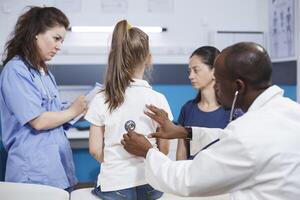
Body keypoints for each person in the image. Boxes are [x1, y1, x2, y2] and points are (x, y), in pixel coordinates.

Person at [121, 42, 300, 199]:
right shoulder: (291, 111)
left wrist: (148, 152)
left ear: (238, 86)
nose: (217, 89)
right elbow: (226, 137)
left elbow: (187, 179)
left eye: (219, 83)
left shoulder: (247, 134)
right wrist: (185, 132)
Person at [0, 6, 87, 190]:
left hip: (57, 169)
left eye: (62, 41)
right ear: (36, 33)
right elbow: (38, 120)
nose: (59, 47)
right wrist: (73, 110)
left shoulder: (44, 73)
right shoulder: (16, 71)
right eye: (56, 38)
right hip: (33, 173)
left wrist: (85, 108)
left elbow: (55, 114)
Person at [84, 20, 173, 200]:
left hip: (114, 185)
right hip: (151, 185)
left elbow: (94, 150)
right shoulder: (159, 99)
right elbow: (164, 150)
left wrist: (115, 164)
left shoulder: (101, 99)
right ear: (149, 59)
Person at [176, 46, 242, 160]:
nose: (190, 76)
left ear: (214, 71)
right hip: (192, 177)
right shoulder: (187, 109)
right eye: (189, 71)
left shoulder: (233, 112)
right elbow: (181, 155)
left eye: (196, 70)